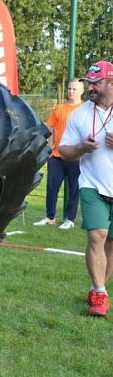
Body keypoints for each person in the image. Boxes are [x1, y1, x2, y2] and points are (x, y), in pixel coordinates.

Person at [59, 61, 113, 317]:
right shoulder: (79, 114)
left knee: (111, 245)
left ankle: (96, 288)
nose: (90, 87)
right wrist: (81, 147)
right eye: (89, 82)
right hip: (91, 185)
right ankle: (101, 293)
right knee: (97, 235)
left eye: (96, 82)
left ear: (110, 83)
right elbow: (64, 151)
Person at [34, 78, 85, 229]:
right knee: (51, 187)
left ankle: (70, 219)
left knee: (74, 188)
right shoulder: (59, 108)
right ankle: (50, 217)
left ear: (82, 91)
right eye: (69, 88)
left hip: (77, 157)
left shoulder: (86, 109)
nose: (71, 91)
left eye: (74, 89)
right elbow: (51, 130)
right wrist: (49, 150)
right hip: (57, 156)